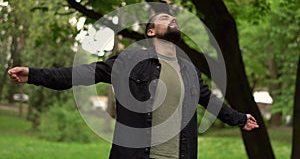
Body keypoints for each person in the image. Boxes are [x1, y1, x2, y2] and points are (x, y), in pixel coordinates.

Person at [8, 13, 259, 159]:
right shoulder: (129, 61)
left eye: (174, 18)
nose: (172, 18)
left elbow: (210, 101)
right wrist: (33, 74)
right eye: (164, 18)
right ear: (150, 32)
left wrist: (239, 118)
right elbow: (81, 74)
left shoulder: (189, 69)